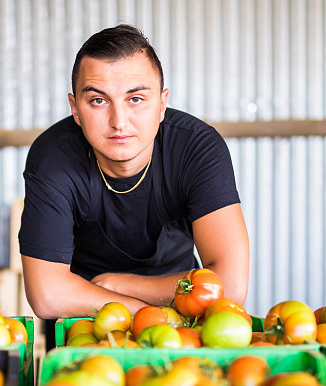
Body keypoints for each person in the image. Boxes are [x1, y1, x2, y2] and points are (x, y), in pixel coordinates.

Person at [19, 24, 249, 331]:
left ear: (162, 103)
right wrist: (145, 315)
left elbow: (230, 287)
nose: (119, 121)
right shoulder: (53, 158)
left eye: (136, 99)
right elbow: (48, 295)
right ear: (75, 109)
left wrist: (121, 286)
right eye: (99, 101)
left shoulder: (197, 148)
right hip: (84, 320)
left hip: (185, 319)